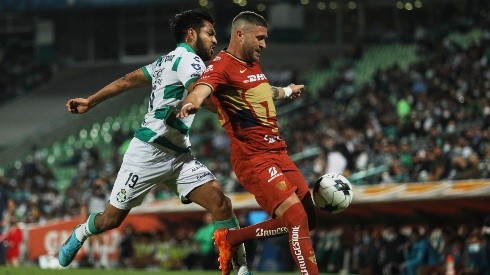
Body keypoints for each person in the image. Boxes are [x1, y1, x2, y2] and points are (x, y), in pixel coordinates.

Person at [58, 9, 252, 275]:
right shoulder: (189, 60)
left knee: (221, 204)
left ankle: (241, 270)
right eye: (210, 33)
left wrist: (91, 101)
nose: (215, 39)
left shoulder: (165, 61)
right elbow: (202, 95)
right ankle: (81, 232)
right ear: (191, 34)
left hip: (178, 156)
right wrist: (240, 115)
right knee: (110, 220)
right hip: (147, 154)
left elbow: (126, 81)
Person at [178, 11, 319, 275]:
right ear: (240, 35)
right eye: (260, 38)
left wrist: (287, 91)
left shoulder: (252, 64)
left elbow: (263, 92)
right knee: (296, 217)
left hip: (279, 152)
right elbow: (202, 88)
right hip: (253, 158)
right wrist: (193, 100)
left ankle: (232, 238)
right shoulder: (221, 66)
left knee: (308, 217)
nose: (264, 44)